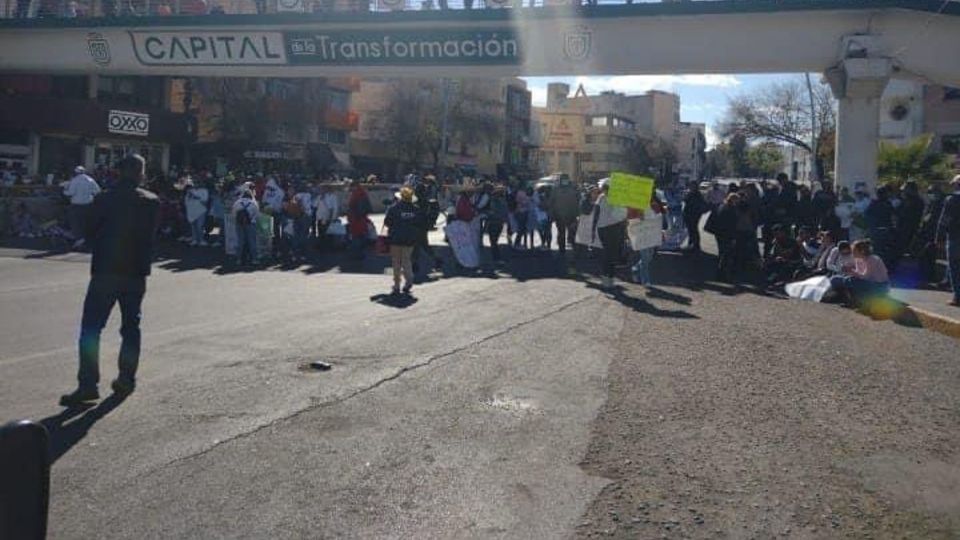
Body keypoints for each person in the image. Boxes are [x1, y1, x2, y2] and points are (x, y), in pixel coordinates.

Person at [59, 155, 158, 407]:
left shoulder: (105, 199)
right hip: (136, 273)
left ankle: (88, 383)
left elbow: (90, 230)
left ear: (119, 172)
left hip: (106, 270)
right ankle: (126, 379)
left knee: (91, 328)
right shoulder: (151, 202)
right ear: (141, 173)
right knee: (131, 327)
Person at [384, 186, 422, 295]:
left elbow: (387, 222)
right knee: (407, 260)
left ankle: (396, 285)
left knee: (396, 262)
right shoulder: (416, 209)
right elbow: (419, 224)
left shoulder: (393, 208)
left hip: (395, 239)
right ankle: (409, 281)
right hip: (409, 240)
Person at [830, 240, 890, 307]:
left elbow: (866, 277)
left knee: (851, 280)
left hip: (879, 285)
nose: (852, 253)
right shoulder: (857, 259)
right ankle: (843, 299)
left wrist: (852, 272)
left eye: (854, 251)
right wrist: (848, 270)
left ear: (862, 251)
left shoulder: (872, 259)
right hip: (865, 283)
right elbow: (858, 274)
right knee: (835, 279)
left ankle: (856, 302)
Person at [592, 179, 627, 289]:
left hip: (602, 228)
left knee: (607, 253)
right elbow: (622, 214)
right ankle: (609, 279)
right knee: (611, 254)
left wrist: (593, 228)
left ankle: (607, 279)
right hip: (613, 228)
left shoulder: (601, 198)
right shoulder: (617, 198)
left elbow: (596, 213)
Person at [63, 165, 102, 249]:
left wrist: (64, 191)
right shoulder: (90, 180)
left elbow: (70, 193)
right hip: (88, 205)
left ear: (75, 173)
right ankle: (85, 239)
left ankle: (79, 239)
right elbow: (98, 191)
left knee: (76, 222)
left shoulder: (75, 180)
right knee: (86, 223)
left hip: (76, 205)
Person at [936, 175, 960, 306]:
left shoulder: (951, 200)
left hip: (955, 238)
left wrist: (939, 237)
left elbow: (944, 220)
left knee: (955, 268)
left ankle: (958, 297)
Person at [549, 177, 581, 257]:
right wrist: (552, 215)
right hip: (560, 216)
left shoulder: (572, 189)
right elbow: (551, 203)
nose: (564, 181)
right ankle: (563, 248)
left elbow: (577, 202)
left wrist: (577, 214)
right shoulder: (556, 190)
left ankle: (570, 249)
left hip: (570, 215)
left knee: (571, 233)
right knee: (562, 233)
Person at [233, 188, 260, 266]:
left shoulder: (237, 202)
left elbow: (234, 214)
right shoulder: (253, 203)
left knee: (240, 241)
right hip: (251, 223)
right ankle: (254, 259)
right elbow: (257, 215)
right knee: (252, 241)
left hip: (239, 224)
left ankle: (239, 259)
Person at [346, 179, 372, 260]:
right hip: (361, 218)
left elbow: (352, 205)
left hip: (356, 218)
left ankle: (356, 254)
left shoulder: (356, 194)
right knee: (361, 235)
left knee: (356, 236)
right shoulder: (363, 193)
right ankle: (360, 253)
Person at [485, 186, 509, 264]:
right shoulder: (504, 202)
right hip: (499, 223)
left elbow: (493, 212)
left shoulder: (495, 202)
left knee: (493, 241)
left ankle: (496, 258)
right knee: (494, 241)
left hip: (494, 222)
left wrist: (488, 213)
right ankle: (496, 257)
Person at [682, 182, 707, 252]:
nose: (691, 187)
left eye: (692, 186)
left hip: (694, 214)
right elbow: (685, 200)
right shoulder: (691, 193)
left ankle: (695, 245)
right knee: (691, 230)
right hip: (690, 214)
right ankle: (692, 244)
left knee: (693, 229)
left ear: (695, 187)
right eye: (690, 186)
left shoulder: (696, 194)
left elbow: (689, 202)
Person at [184, 178, 209, 247]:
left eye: (198, 182)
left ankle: (201, 240)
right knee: (193, 226)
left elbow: (205, 200)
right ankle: (194, 240)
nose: (196, 184)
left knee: (200, 226)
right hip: (191, 210)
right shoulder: (190, 191)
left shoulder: (204, 191)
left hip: (201, 210)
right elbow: (186, 200)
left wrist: (196, 197)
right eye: (195, 182)